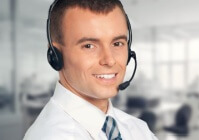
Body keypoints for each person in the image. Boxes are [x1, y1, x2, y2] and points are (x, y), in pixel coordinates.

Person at [23, 0, 158, 139]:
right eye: (89, 46)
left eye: (117, 43)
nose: (109, 60)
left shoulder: (139, 130)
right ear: (55, 55)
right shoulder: (50, 136)